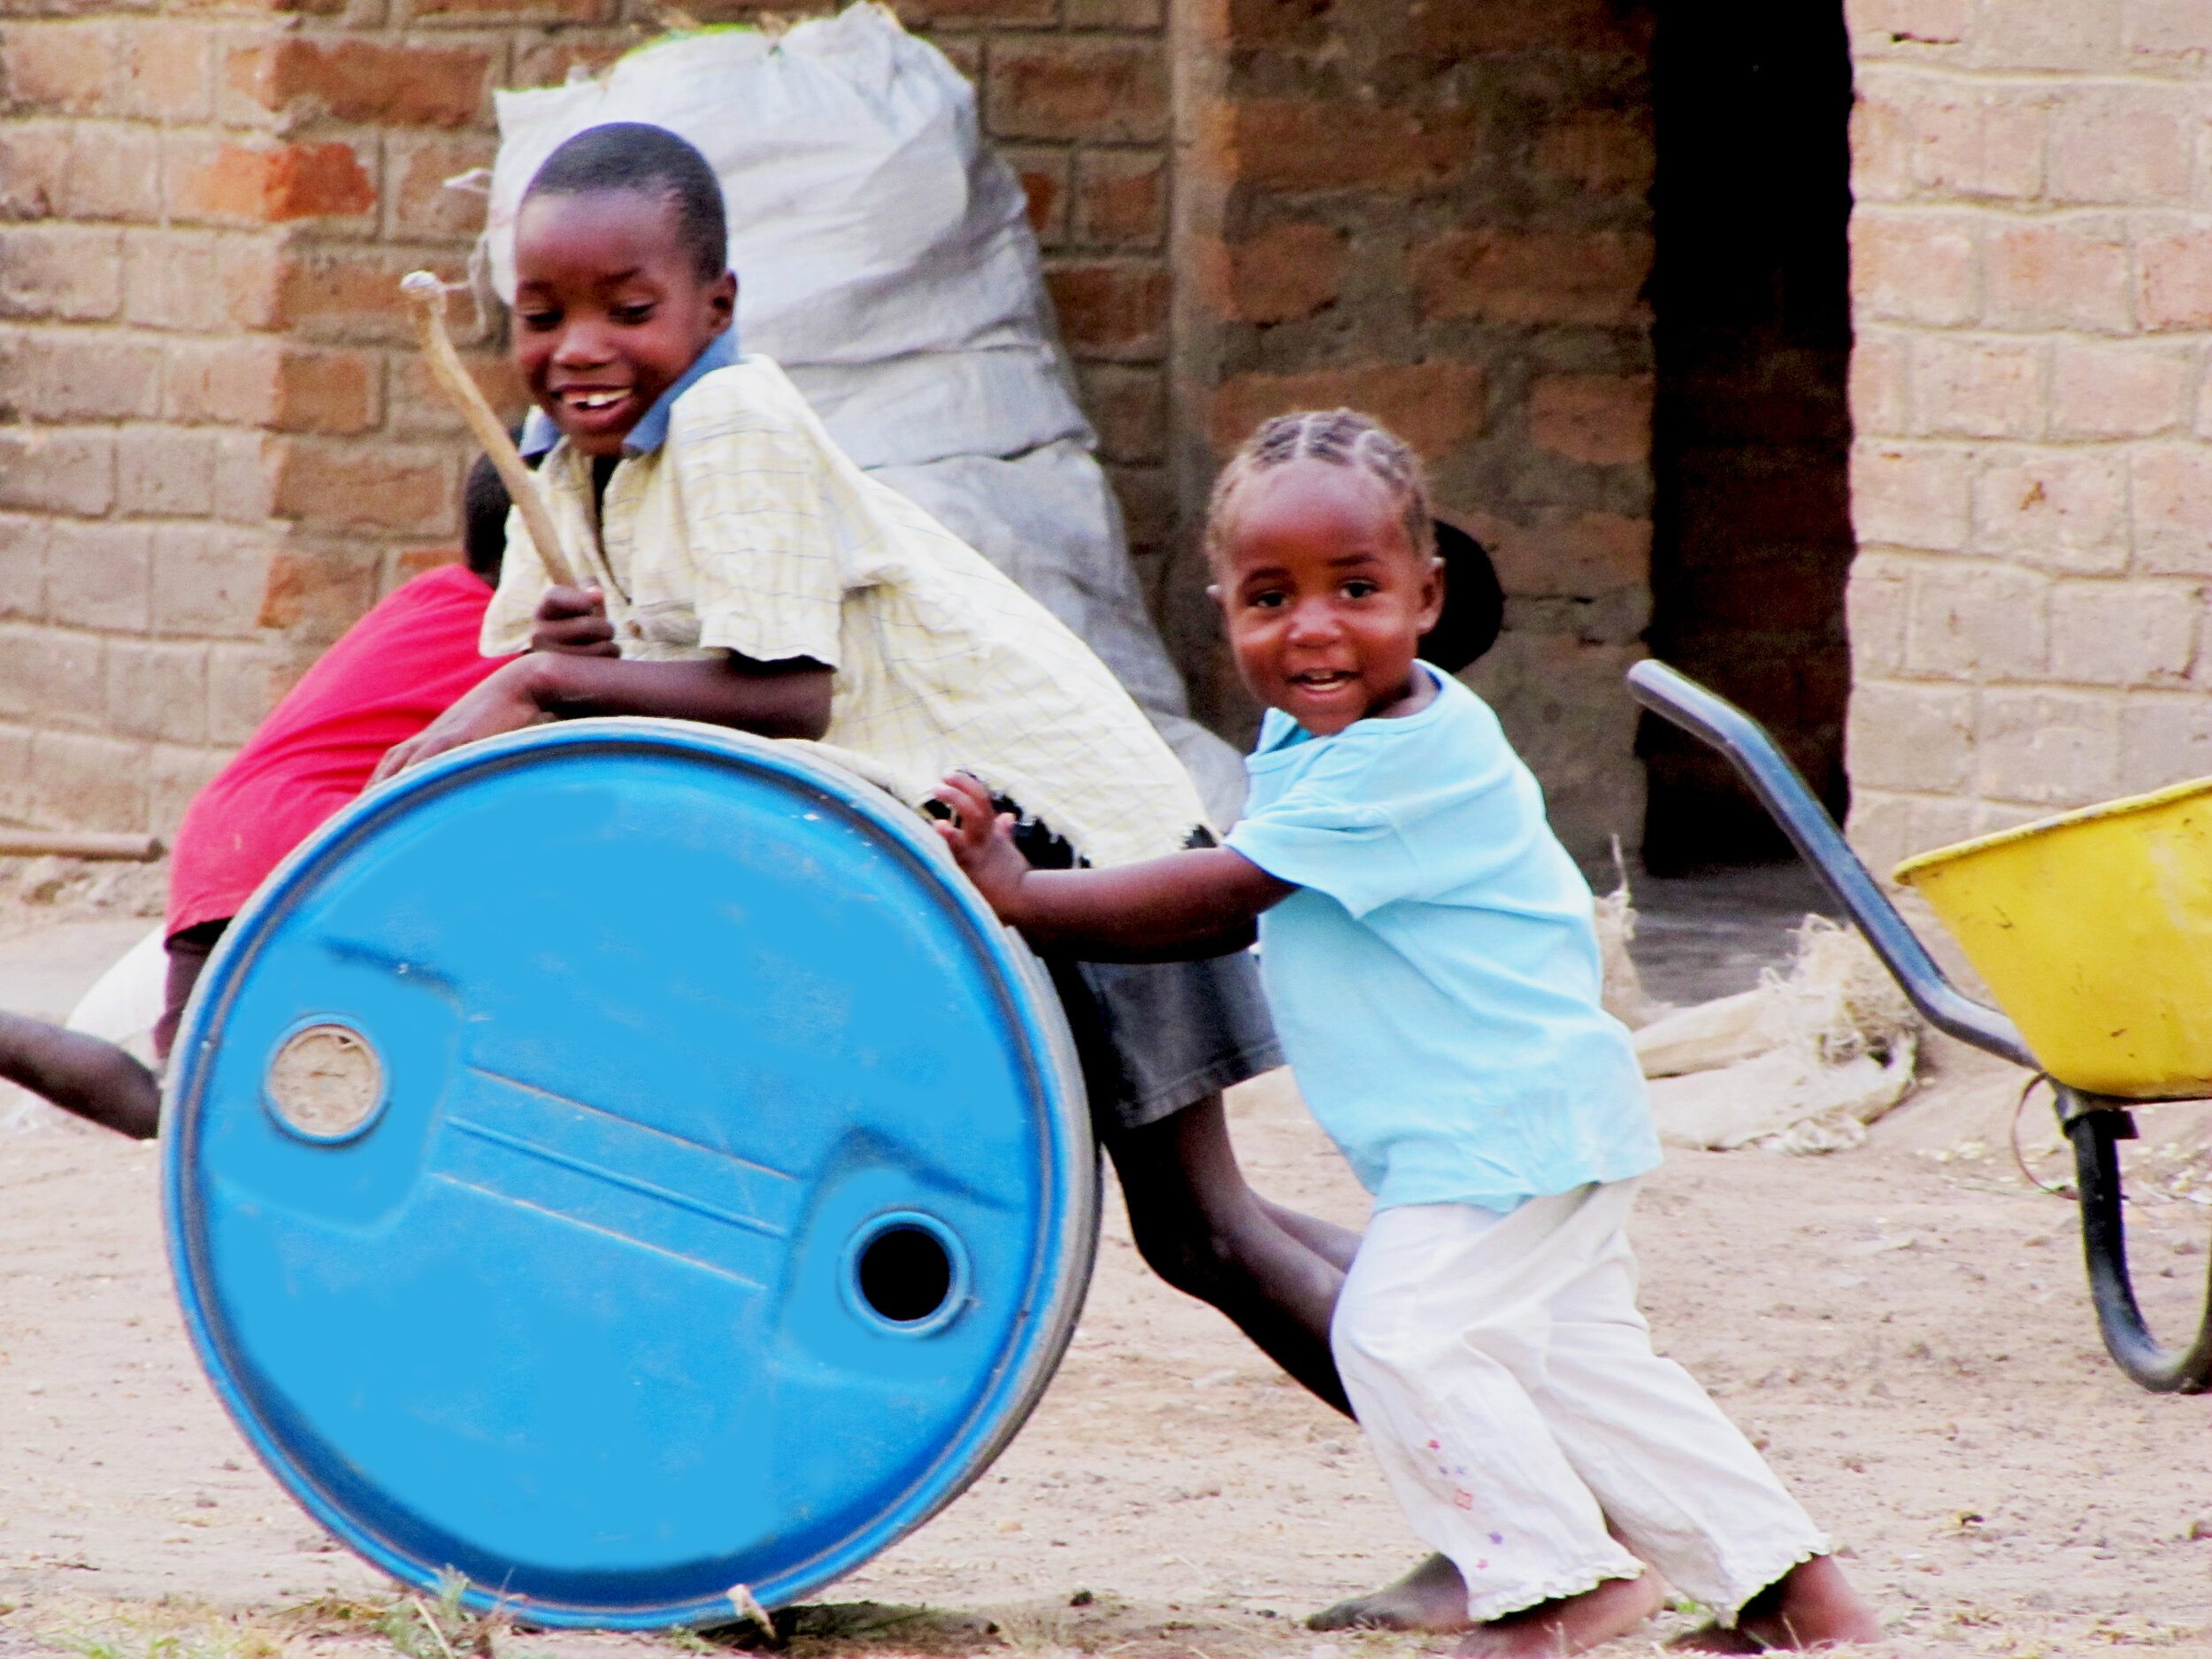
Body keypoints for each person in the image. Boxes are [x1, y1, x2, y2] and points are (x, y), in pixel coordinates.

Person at [374, 122, 1366, 1411]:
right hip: (972, 853)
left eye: (628, 307)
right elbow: (552, 699)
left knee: (1204, 1231)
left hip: (1067, 840)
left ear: (714, 305)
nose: (579, 348)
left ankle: (1535, 1513)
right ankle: (1514, 1392)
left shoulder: (733, 418)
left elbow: (786, 693)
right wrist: (569, 649)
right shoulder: (564, 471)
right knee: (1207, 1230)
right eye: (543, 313)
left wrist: (549, 678)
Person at [931, 408, 1881, 1656]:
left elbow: (1218, 901)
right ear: (1223, 607)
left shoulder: (1399, 765)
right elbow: (1236, 896)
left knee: (1394, 1330)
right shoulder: (1332, 736)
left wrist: (1022, 895)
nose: (1314, 627)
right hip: (1519, 1120)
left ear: (1426, 595)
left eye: (1357, 589)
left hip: (1503, 1127)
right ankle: (1803, 1598)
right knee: (1587, 1375)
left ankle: (1547, 1582)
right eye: (1270, 597)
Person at [0, 458, 518, 1140]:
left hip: (225, 834)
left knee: (179, 1097)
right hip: (309, 844)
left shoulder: (429, 599)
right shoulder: (522, 638)